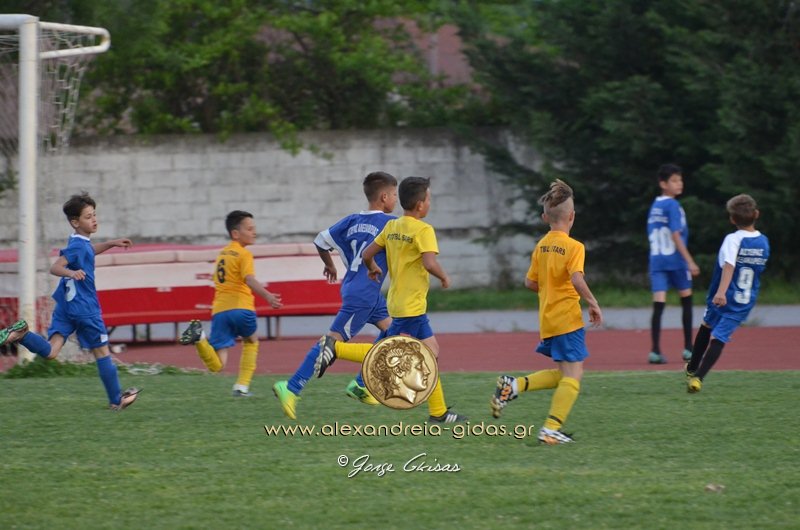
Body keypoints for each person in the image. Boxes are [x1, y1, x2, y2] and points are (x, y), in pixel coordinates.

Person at [314, 176, 467, 424]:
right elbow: (429, 263)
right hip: (411, 307)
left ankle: (439, 412)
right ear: (420, 205)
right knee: (388, 353)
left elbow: (367, 254)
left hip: (399, 302)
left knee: (431, 351)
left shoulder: (393, 226)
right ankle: (335, 347)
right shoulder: (424, 230)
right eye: (429, 199)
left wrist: (372, 267)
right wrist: (444, 277)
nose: (429, 204)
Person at [272, 171, 398, 420]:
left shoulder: (352, 220)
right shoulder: (390, 223)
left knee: (393, 332)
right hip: (363, 294)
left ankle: (361, 384)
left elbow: (320, 241)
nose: (396, 199)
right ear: (384, 197)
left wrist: (329, 265)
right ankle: (291, 387)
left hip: (359, 289)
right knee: (331, 342)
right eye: (394, 194)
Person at [0, 192, 140, 410]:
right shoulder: (77, 246)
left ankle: (23, 334)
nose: (94, 220)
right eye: (88, 217)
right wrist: (71, 273)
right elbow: (55, 266)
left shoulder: (77, 241)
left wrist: (111, 243)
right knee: (102, 353)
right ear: (75, 222)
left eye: (94, 215)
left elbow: (87, 252)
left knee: (51, 352)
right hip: (85, 308)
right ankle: (116, 400)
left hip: (66, 306)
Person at [490, 179, 602, 444]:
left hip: (548, 319)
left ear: (544, 218)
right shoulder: (574, 247)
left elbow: (530, 282)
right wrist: (592, 302)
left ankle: (513, 386)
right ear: (572, 216)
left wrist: (550, 288)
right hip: (567, 319)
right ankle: (551, 429)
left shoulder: (541, 245)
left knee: (565, 374)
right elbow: (576, 278)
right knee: (573, 376)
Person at [179, 210, 283, 397]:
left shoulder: (222, 254)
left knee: (217, 365)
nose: (254, 232)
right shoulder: (244, 254)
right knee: (251, 342)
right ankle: (241, 387)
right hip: (241, 307)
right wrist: (267, 296)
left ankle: (200, 338)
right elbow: (249, 279)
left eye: (254, 228)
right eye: (249, 229)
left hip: (220, 310)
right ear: (235, 233)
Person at [686, 194, 769, 393]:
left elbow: (729, 265)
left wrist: (721, 292)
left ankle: (692, 369)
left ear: (732, 219)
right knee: (720, 338)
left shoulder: (733, 239)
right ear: (756, 214)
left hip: (722, 295)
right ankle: (698, 378)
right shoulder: (764, 241)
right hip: (744, 300)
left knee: (707, 326)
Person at [646, 163, 700, 364]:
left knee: (659, 304)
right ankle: (688, 349)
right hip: (676, 261)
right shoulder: (673, 205)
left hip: (657, 261)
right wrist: (690, 261)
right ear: (663, 184)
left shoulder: (655, 206)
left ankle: (655, 351)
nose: (680, 184)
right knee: (686, 300)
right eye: (674, 181)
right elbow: (675, 234)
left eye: (680, 180)